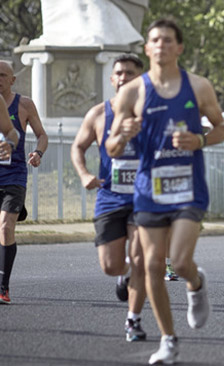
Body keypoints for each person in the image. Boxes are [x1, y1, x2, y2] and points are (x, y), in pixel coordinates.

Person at [105, 19, 224, 364]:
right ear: (147, 48)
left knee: (181, 259)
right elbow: (112, 148)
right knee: (153, 266)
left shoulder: (199, 87)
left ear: (179, 47)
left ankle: (196, 284)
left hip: (189, 188)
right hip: (149, 190)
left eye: (167, 40)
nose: (160, 45)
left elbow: (222, 128)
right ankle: (169, 340)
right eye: (154, 40)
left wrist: (200, 139)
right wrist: (124, 134)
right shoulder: (131, 93)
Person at [71, 54, 148, 340]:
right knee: (110, 265)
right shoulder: (99, 114)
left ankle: (133, 320)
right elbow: (78, 147)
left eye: (130, 72)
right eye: (119, 73)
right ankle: (123, 274)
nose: (124, 77)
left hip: (145, 198)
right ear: (112, 78)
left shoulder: (152, 113)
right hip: (110, 197)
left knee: (140, 258)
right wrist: (83, 175)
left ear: (140, 78)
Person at [0, 61, 47, 305]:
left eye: (2, 75)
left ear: (12, 80)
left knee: (6, 227)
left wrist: (37, 153)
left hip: (14, 174)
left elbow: (42, 134)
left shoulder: (24, 104)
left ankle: (3, 286)